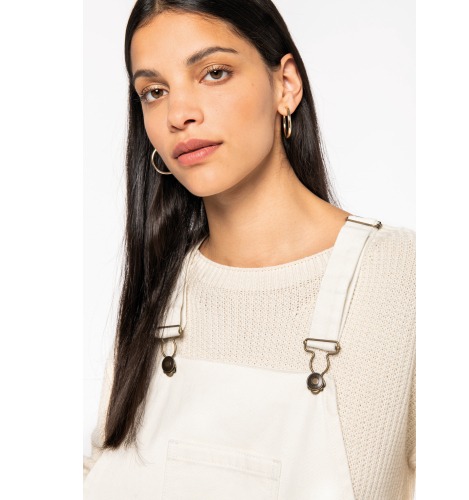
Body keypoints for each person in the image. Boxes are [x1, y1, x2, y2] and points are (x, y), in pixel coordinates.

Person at [83, 1, 415, 499]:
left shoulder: (405, 277)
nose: (179, 114)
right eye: (154, 91)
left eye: (214, 73)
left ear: (286, 85)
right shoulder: (158, 290)